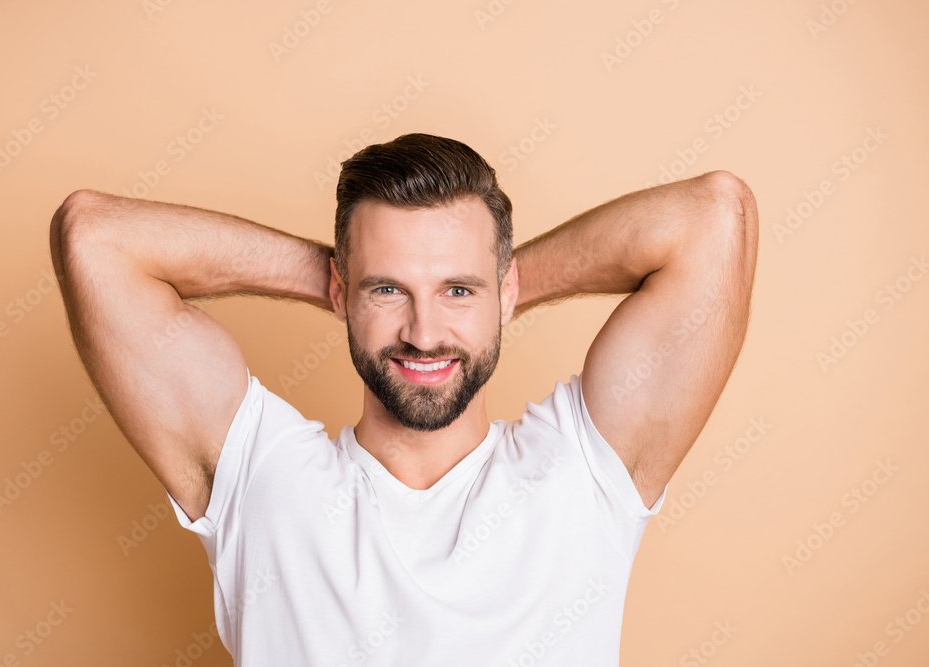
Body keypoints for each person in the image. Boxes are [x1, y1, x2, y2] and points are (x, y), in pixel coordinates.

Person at [49, 133, 758, 666]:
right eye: (388, 291)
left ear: (505, 291)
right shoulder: (262, 486)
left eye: (457, 291)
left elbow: (714, 217)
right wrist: (350, 275)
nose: (424, 333)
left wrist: (493, 288)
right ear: (340, 292)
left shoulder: (583, 474)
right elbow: (94, 238)